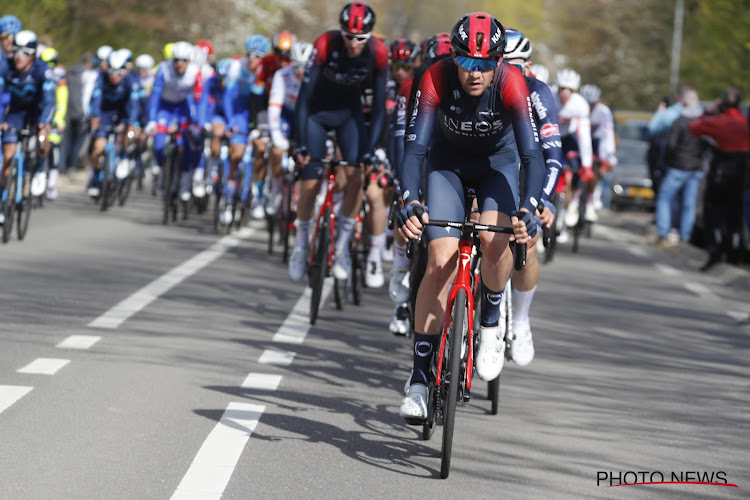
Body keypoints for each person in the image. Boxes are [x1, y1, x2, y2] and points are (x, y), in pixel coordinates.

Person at [396, 13, 544, 421]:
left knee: (498, 240)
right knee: (440, 259)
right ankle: (420, 380)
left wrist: (528, 208)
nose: (475, 73)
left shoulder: (512, 81)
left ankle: (492, 321)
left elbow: (532, 156)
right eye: (467, 63)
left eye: (485, 64)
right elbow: (414, 151)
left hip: (499, 163)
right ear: (453, 57)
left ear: (498, 61)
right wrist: (409, 199)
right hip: (448, 165)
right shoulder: (435, 77)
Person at [289, 2, 389, 283]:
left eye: (360, 38)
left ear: (369, 36)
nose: (353, 43)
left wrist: (370, 150)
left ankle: (342, 248)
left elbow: (380, 108)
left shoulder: (379, 52)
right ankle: (300, 246)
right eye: (348, 36)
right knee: (309, 184)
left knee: (356, 176)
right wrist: (300, 143)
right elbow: (304, 99)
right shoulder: (325, 43)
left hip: (349, 115)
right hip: (317, 115)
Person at [501, 27, 563, 366]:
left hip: (529, 170)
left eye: (517, 63)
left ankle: (521, 320)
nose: (510, 70)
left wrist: (543, 200)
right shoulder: (487, 88)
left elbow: (553, 154)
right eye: (503, 62)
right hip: (492, 168)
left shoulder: (539, 91)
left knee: (526, 240)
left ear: (529, 65)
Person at [689, 88, 749, 269]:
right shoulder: (745, 122)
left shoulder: (717, 122)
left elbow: (694, 127)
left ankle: (715, 252)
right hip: (740, 177)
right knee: (735, 217)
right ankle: (734, 252)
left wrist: (707, 112)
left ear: (722, 103)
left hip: (719, 176)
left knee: (713, 216)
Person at [0, 30, 55, 224]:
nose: (18, 57)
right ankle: (4, 200)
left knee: (42, 137)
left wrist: (44, 122)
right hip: (16, 114)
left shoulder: (42, 70)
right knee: (7, 158)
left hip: (37, 112)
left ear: (32, 54)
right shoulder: (6, 67)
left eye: (23, 52)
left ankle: (40, 168)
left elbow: (50, 100)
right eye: (16, 51)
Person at [146, 41, 200, 200]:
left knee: (187, 142)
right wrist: (152, 120)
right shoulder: (163, 69)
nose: (179, 64)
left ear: (189, 61)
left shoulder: (195, 72)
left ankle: (184, 184)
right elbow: (155, 96)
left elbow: (199, 100)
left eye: (183, 60)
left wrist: (196, 122)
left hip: (184, 107)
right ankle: (162, 179)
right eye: (176, 60)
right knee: (159, 143)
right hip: (165, 107)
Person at [87, 49, 141, 197]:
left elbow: (134, 105)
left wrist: (131, 122)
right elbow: (95, 100)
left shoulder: (131, 81)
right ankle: (96, 177)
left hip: (123, 115)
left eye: (119, 73)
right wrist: (95, 117)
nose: (115, 76)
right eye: (112, 72)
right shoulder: (101, 79)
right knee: (98, 148)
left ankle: (123, 157)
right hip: (105, 115)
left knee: (128, 135)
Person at [654, 88, 703, 248]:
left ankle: (663, 232)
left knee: (664, 198)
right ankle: (685, 236)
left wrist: (667, 162)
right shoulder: (703, 123)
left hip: (677, 167)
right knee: (689, 203)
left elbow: (670, 145)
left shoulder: (680, 121)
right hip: (695, 168)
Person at [553, 68, 594, 243]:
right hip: (550, 134)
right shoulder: (549, 96)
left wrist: (587, 163)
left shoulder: (580, 104)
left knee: (576, 171)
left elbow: (584, 136)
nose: (565, 93)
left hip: (568, 138)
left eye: (570, 90)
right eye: (562, 88)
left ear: (575, 91)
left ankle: (571, 206)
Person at [579, 83, 617, 210]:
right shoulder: (577, 107)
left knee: (600, 167)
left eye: (592, 104)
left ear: (598, 102)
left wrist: (608, 157)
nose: (589, 107)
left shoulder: (604, 112)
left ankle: (593, 195)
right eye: (586, 103)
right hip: (579, 138)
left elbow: (608, 135)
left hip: (598, 141)